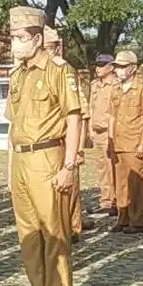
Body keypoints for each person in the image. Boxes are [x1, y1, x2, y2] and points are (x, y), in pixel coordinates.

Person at [0, 6, 82, 286]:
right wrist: (9, 169)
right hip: (22, 159)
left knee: (54, 232)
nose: (14, 44)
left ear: (37, 40)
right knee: (29, 234)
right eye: (13, 37)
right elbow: (12, 125)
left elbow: (74, 117)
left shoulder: (60, 72)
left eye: (20, 38)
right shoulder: (17, 76)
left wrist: (70, 164)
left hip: (48, 157)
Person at [44, 26, 91, 241]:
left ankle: (73, 226)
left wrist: (79, 149)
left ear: (54, 49)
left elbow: (79, 115)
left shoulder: (64, 71)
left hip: (65, 139)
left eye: (46, 48)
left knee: (69, 188)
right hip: (46, 141)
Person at [107, 50, 143, 234]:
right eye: (117, 67)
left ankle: (137, 220)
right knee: (121, 184)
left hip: (135, 143)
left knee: (137, 184)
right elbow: (111, 116)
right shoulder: (116, 88)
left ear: (133, 68)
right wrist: (110, 142)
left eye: (123, 66)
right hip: (118, 143)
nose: (119, 70)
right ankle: (122, 217)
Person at [88, 53, 118, 219]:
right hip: (97, 132)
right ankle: (105, 200)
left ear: (111, 67)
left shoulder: (115, 85)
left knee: (111, 167)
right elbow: (91, 107)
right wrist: (91, 129)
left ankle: (116, 201)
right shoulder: (95, 85)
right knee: (101, 169)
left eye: (102, 65)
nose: (98, 68)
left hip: (109, 132)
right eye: (97, 65)